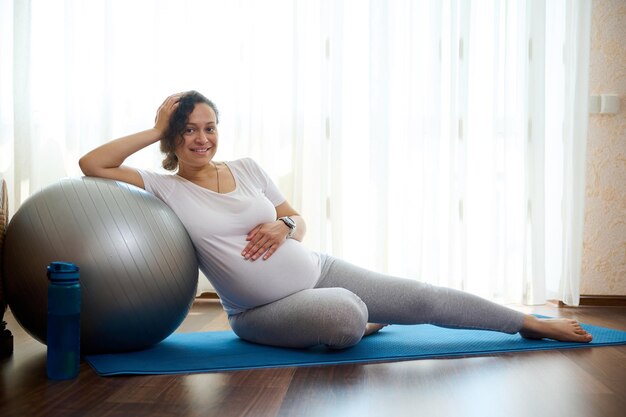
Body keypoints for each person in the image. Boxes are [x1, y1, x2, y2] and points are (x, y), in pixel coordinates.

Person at [79, 91, 592, 349]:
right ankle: (366, 320)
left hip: (318, 270)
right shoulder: (165, 185)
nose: (201, 139)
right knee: (347, 316)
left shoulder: (248, 168)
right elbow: (92, 165)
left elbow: (297, 220)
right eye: (187, 130)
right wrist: (153, 127)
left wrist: (285, 228)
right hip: (260, 311)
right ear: (173, 137)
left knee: (422, 295)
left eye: (209, 128)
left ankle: (528, 324)